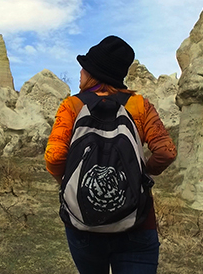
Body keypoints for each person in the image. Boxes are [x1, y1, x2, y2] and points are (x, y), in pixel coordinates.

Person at [44, 35, 177, 274]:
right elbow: (166, 152)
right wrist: (142, 172)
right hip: (137, 219)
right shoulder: (139, 105)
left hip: (83, 221)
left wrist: (68, 183)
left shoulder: (72, 106)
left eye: (84, 68)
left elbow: (54, 156)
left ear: (93, 73)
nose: (80, 73)